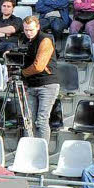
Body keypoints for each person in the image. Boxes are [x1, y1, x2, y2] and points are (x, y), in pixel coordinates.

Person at [20, 15, 59, 144]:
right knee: (28, 120)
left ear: (38, 27)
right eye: (26, 30)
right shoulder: (25, 40)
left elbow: (38, 66)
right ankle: (28, 152)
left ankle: (42, 154)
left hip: (47, 84)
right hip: (32, 84)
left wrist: (22, 73)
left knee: (41, 120)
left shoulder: (45, 39)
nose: (28, 33)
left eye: (31, 30)